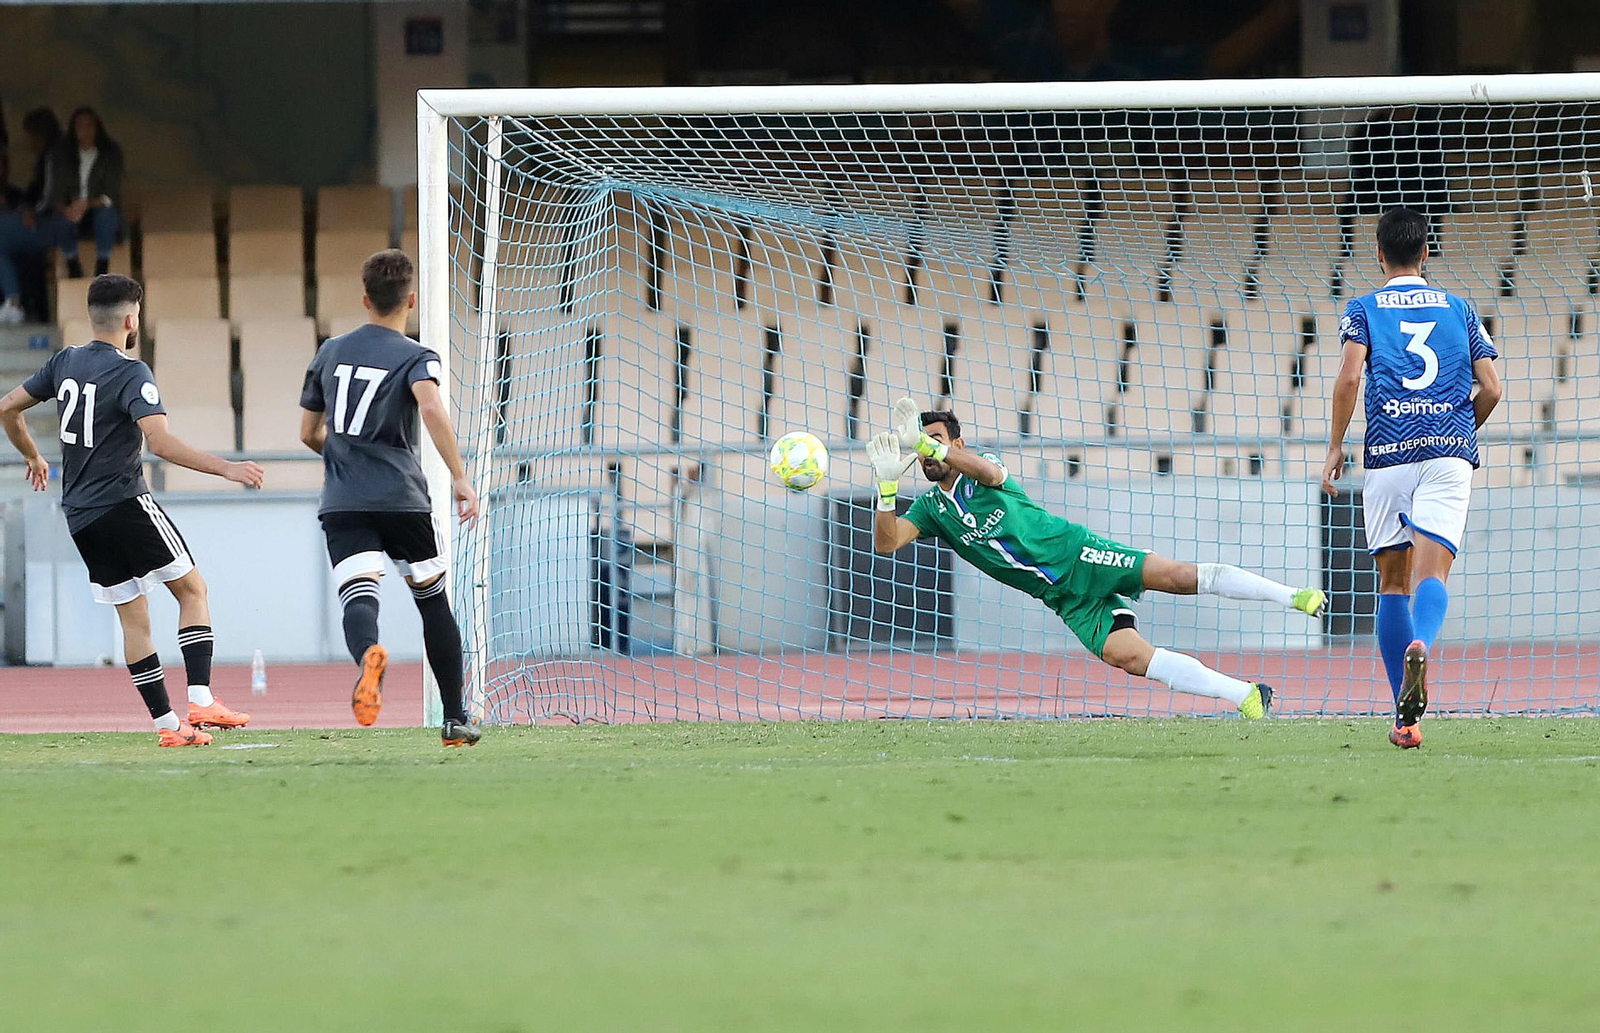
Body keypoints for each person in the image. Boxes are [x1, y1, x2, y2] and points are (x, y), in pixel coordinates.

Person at [869, 398, 1326, 717]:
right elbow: (887, 543)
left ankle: (1295, 596)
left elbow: (990, 471)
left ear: (958, 443)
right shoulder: (932, 508)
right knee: (1129, 657)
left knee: (1176, 576)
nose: (927, 452)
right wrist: (887, 489)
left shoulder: (980, 466)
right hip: (1064, 598)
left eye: (935, 440)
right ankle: (1246, 696)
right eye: (920, 445)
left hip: (1081, 555)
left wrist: (930, 444)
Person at [0, 275, 264, 745]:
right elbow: (158, 441)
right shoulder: (131, 372)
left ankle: (168, 728)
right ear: (131, 319)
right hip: (124, 502)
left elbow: (7, 407)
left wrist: (32, 455)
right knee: (192, 591)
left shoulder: (65, 361)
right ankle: (201, 698)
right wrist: (225, 468)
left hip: (80, 515)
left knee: (132, 618)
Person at [1322, 207, 1502, 749]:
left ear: (1378, 254)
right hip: (1447, 452)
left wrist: (1335, 446)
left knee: (1392, 584)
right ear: (1427, 252)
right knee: (1432, 578)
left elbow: (1351, 375)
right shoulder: (1460, 308)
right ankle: (1422, 642)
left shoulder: (1363, 309)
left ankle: (1405, 717)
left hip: (1388, 453)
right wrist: (1458, 432)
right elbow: (1492, 387)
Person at [298, 250, 483, 746]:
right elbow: (430, 406)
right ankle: (454, 718)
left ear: (365, 300)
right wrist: (460, 477)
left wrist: (341, 456)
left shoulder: (330, 350)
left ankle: (368, 658)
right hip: (401, 497)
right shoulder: (416, 356)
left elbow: (307, 432)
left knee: (358, 595)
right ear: (412, 300)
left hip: (344, 498)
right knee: (432, 601)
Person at [0, 109, 62, 324]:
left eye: (30, 137)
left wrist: (29, 211)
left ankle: (14, 303)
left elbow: (49, 197)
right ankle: (13, 301)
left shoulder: (54, 156)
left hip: (53, 224)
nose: (29, 143)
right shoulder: (45, 158)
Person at [51, 106, 123, 280]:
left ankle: (102, 264)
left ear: (97, 128)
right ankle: (72, 262)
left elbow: (111, 195)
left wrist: (86, 203)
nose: (85, 131)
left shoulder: (110, 154)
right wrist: (67, 209)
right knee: (60, 220)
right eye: (80, 126)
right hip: (73, 214)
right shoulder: (64, 156)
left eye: (90, 126)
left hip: (98, 210)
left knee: (107, 215)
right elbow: (56, 196)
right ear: (73, 130)